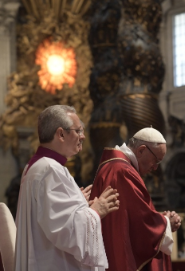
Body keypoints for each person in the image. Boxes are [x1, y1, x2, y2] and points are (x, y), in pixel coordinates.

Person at [14, 105, 120, 271]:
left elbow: (51, 215)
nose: (83, 136)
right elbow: (66, 232)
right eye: (78, 130)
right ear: (61, 134)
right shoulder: (51, 170)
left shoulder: (35, 166)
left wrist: (80, 204)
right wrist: (96, 211)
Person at [90, 127, 181, 271]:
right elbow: (140, 225)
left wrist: (161, 220)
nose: (155, 168)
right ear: (141, 150)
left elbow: (133, 217)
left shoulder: (117, 166)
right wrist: (166, 223)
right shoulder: (122, 171)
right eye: (155, 161)